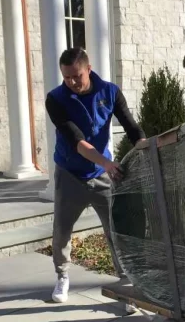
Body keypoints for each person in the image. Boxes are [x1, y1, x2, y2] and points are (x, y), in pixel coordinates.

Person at [45, 47, 146, 304]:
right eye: (66, 77)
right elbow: (77, 141)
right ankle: (62, 276)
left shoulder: (109, 92)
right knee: (62, 230)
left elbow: (131, 126)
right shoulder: (55, 99)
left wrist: (144, 146)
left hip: (102, 174)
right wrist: (108, 163)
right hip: (70, 173)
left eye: (76, 76)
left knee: (117, 229)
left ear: (88, 69)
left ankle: (126, 282)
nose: (71, 82)